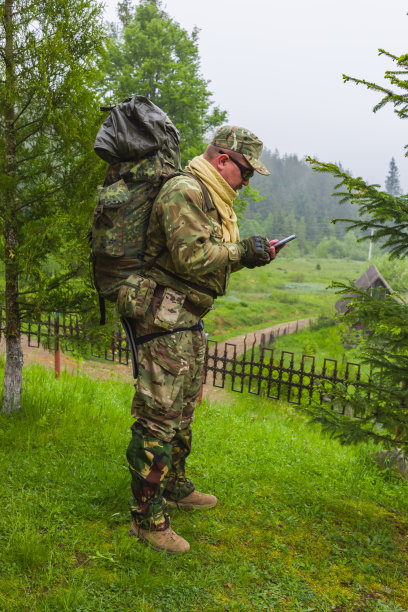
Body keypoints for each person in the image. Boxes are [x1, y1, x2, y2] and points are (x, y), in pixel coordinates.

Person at [127, 125, 278, 553]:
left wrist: (251, 256)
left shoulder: (213, 199)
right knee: (158, 420)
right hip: (163, 320)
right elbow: (191, 257)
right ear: (223, 159)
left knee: (184, 412)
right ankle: (147, 519)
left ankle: (174, 486)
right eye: (245, 172)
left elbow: (209, 258)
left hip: (187, 319)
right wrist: (241, 252)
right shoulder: (185, 191)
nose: (246, 183)